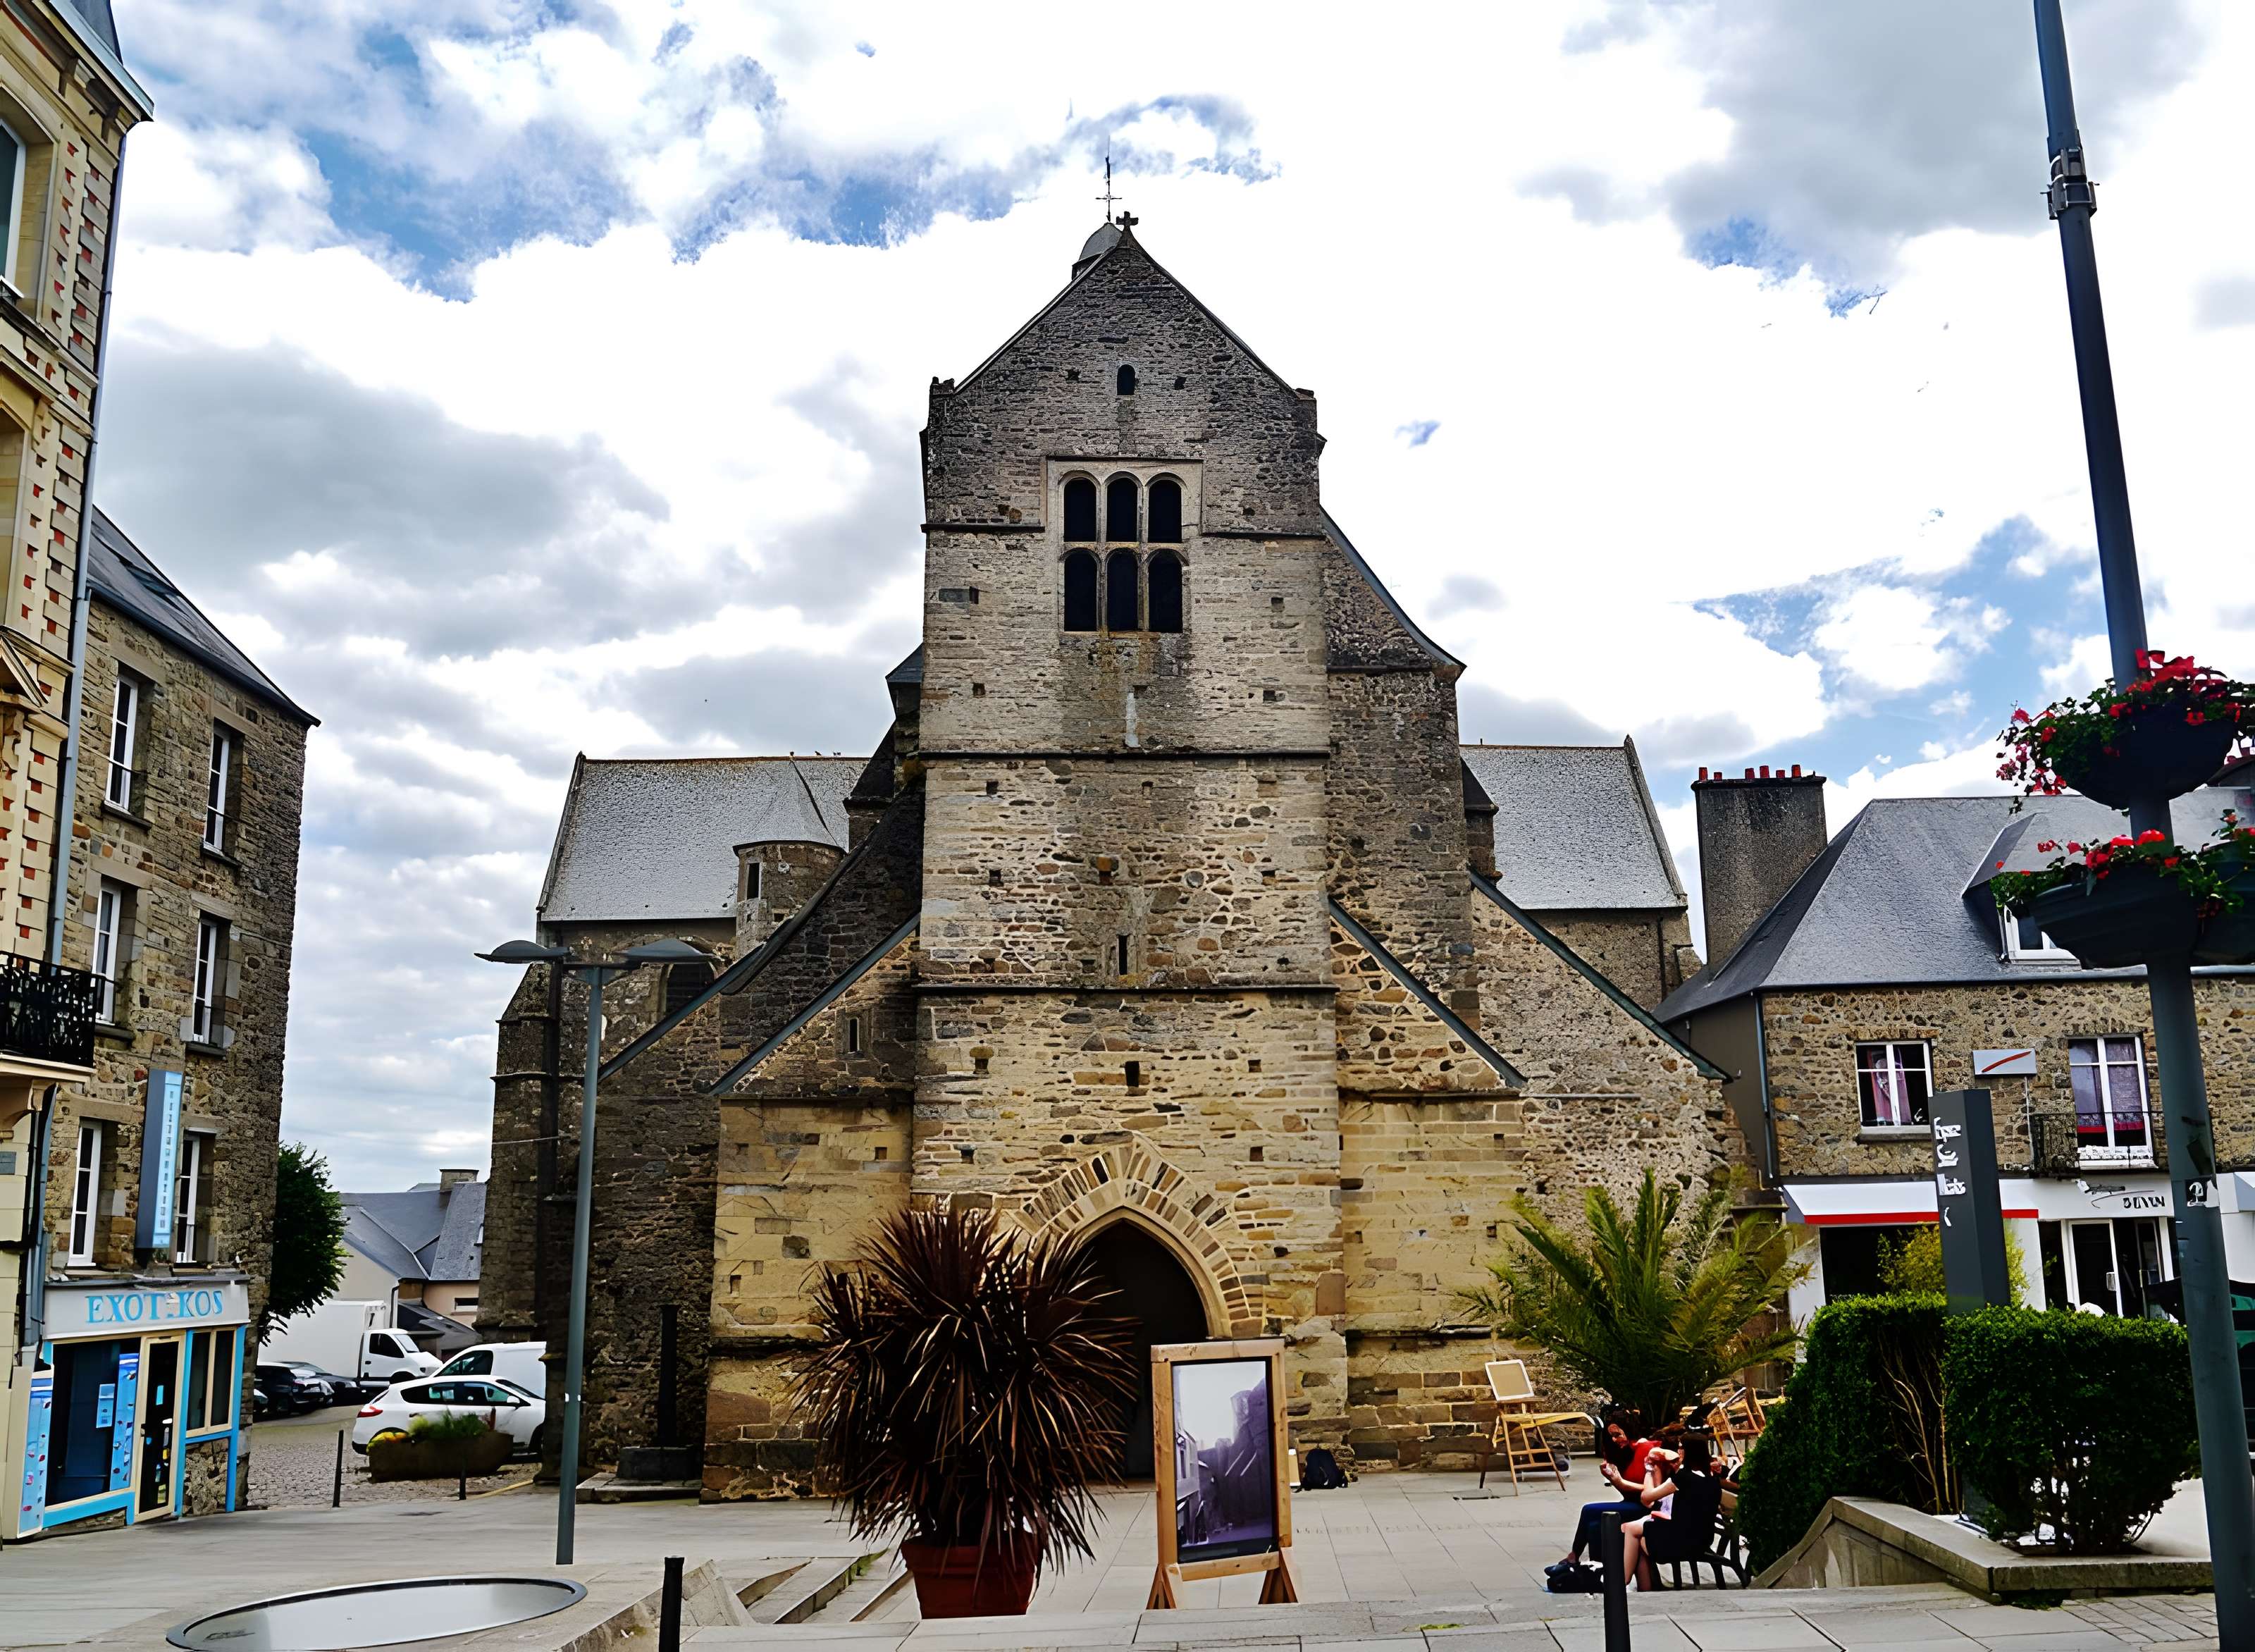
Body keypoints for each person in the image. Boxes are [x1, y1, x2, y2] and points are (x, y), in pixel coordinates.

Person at [1620, 1431, 1722, 1591]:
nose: (1679, 1451)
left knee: (1633, 1531)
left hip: (1681, 1540)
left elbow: (1647, 1498)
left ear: (1687, 1452)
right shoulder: (1712, 1479)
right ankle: (1642, 1588)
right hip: (1701, 1539)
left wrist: (1649, 1470)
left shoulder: (1683, 1478)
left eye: (1681, 1448)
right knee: (1639, 1536)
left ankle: (1622, 1581)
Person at [1555, 1408, 1654, 1569]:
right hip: (1631, 1502)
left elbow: (1651, 1490)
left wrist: (1621, 1482)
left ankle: (1574, 1556)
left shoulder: (1646, 1449)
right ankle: (1598, 1570)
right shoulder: (1624, 1453)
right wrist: (1613, 1479)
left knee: (1589, 1510)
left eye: (1618, 1435)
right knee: (1594, 1527)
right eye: (1612, 1436)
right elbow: (1626, 1491)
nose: (1615, 1440)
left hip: (1646, 1506)